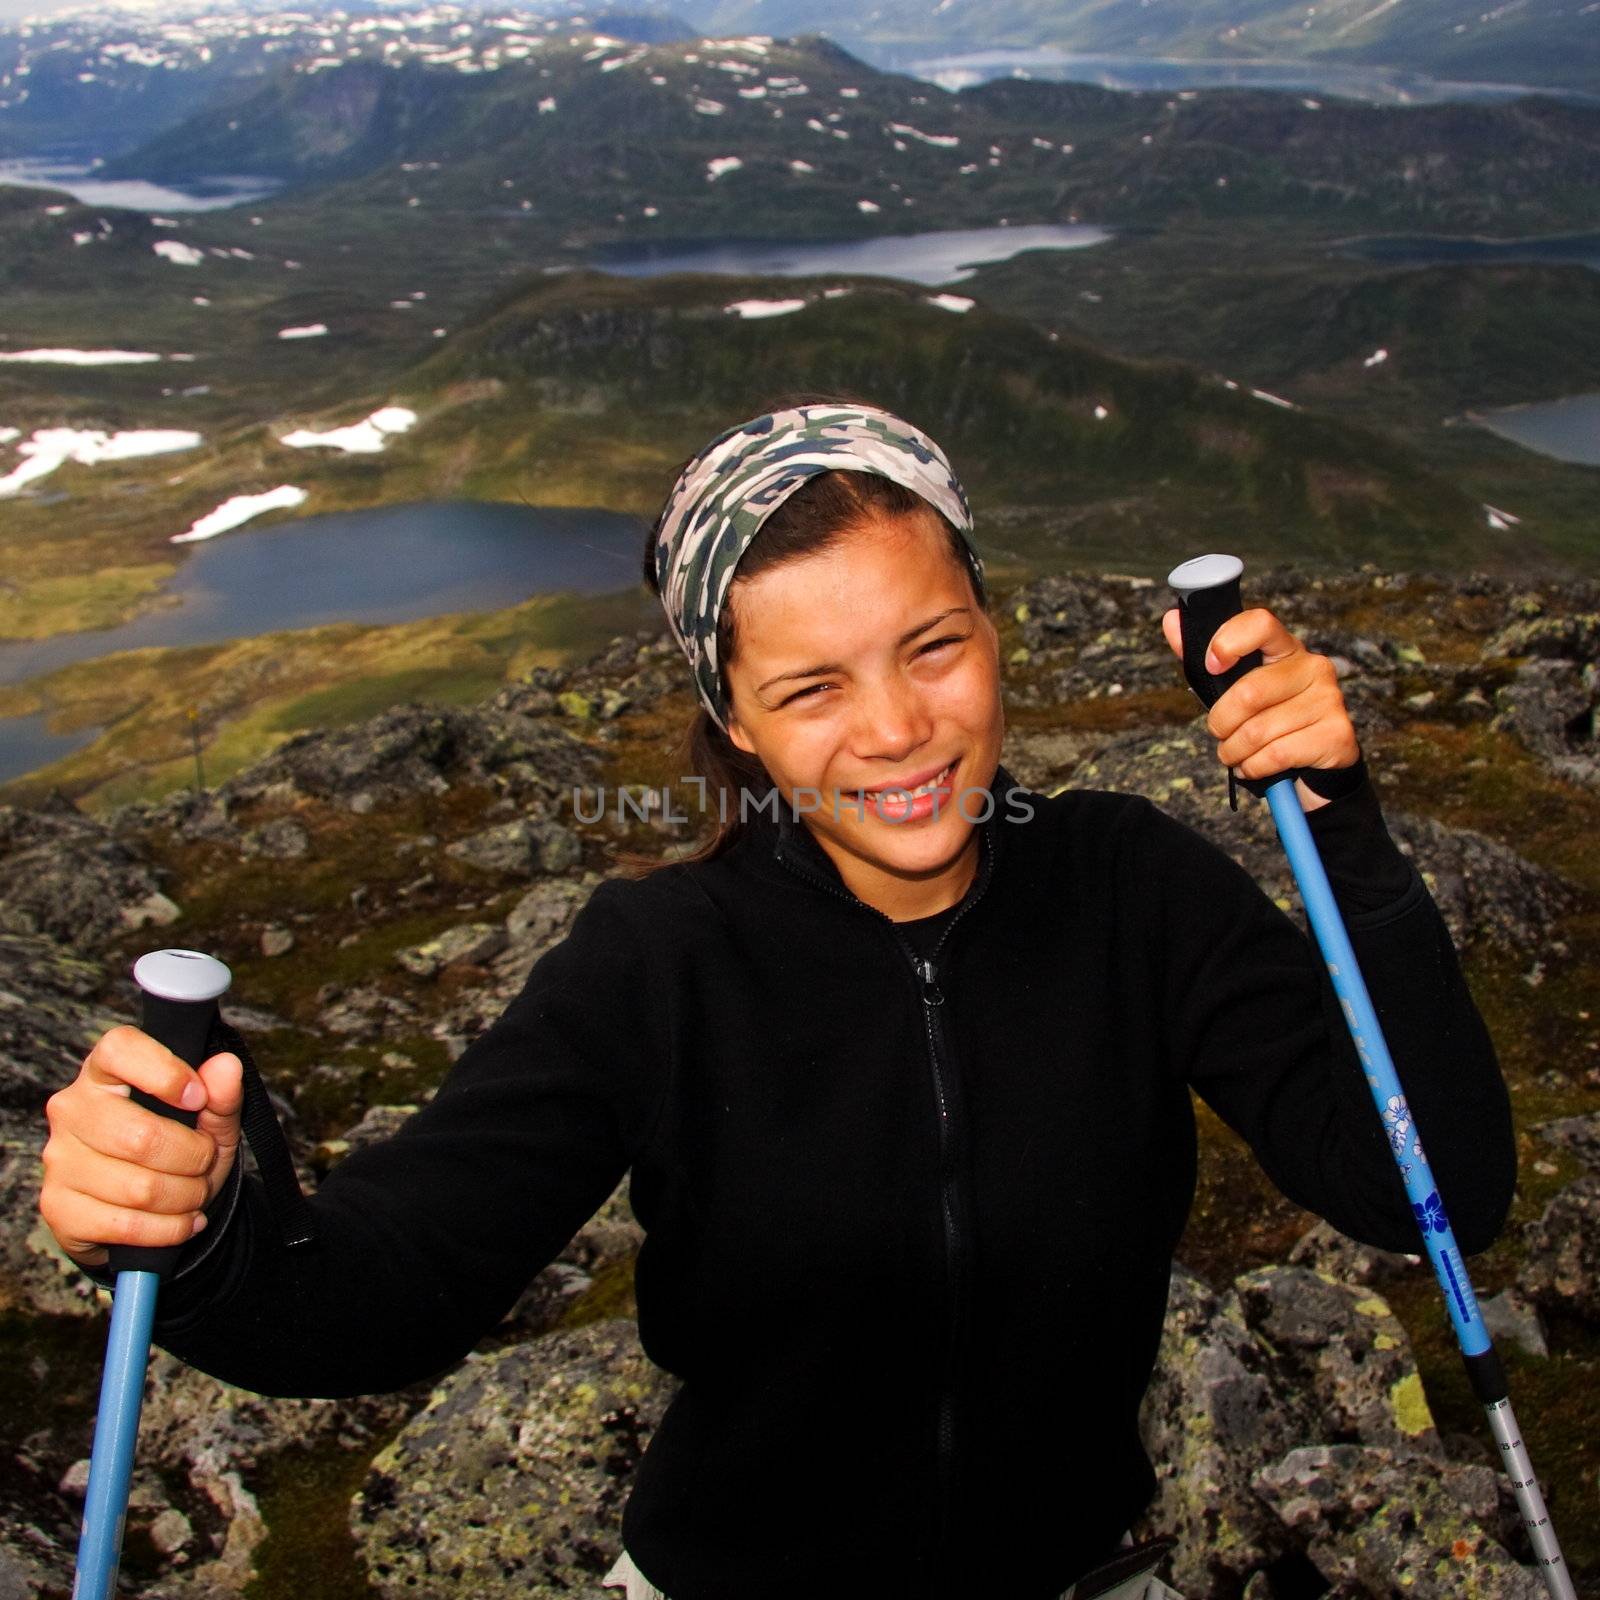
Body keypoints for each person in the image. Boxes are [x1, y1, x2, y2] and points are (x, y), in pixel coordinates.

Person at [38, 398, 1517, 1600]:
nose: (894, 730)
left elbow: (1429, 1188)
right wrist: (208, 1219)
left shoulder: (1131, 890)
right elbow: (375, 1297)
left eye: (932, 646)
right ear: (735, 722)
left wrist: (1346, 833)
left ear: (995, 631)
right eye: (811, 690)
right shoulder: (658, 963)